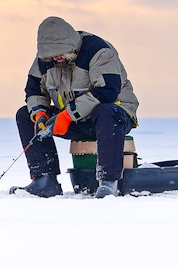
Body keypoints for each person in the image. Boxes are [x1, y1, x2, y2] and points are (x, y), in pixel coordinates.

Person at [10, 16, 139, 198]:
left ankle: (108, 182)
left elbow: (108, 92)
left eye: (60, 54)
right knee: (25, 114)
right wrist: (40, 113)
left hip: (114, 116)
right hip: (73, 119)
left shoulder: (98, 51)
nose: (56, 59)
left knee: (107, 111)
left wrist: (68, 115)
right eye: (52, 56)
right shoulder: (44, 60)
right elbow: (33, 90)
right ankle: (45, 180)